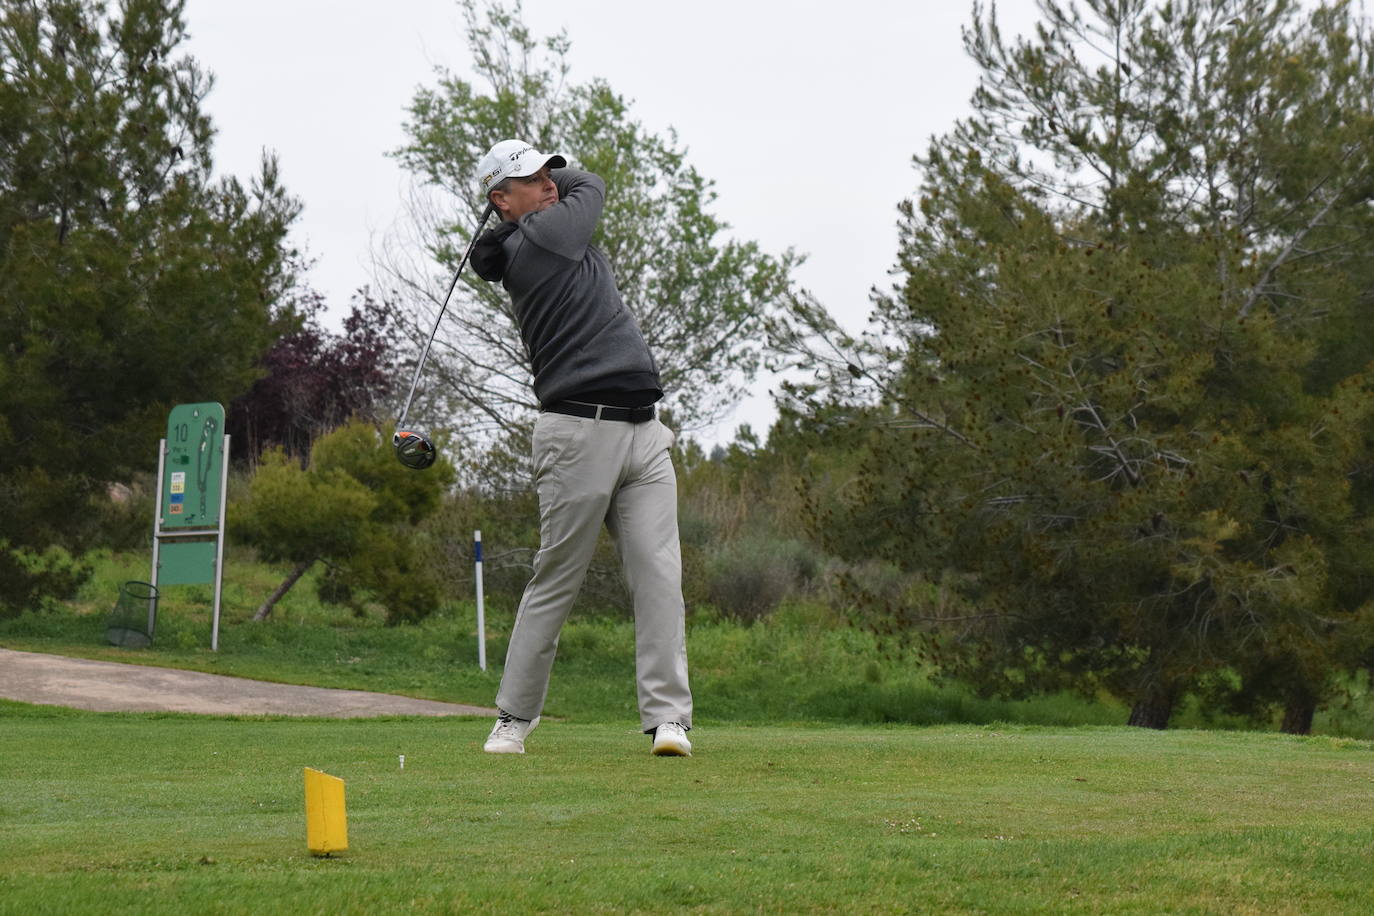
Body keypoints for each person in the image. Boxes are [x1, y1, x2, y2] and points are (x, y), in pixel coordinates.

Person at [469, 139, 693, 757]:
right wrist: (564, 176)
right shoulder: (541, 240)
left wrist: (525, 195)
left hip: (644, 433)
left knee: (659, 577)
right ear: (500, 199)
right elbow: (590, 184)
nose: (548, 184)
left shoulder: (533, 234)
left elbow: (563, 195)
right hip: (576, 434)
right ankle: (513, 718)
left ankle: (669, 719)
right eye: (532, 180)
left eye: (548, 175)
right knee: (557, 577)